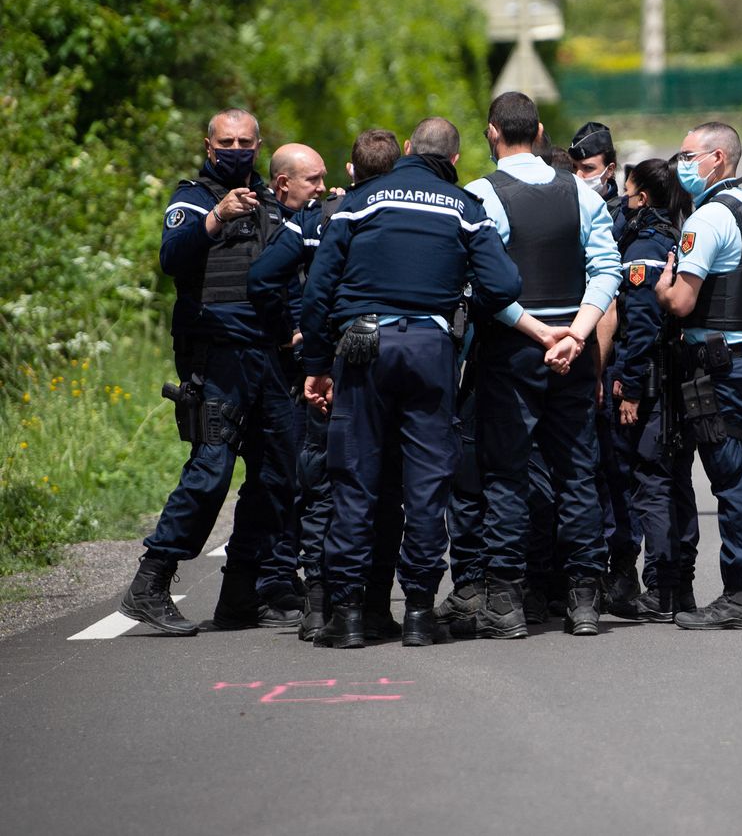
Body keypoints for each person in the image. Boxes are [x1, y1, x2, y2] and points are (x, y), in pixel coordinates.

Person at [299, 117, 525, 648]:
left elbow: (318, 290)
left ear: (406, 149)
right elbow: (506, 283)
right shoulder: (464, 208)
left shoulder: (360, 200)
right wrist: (457, 300)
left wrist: (316, 363)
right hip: (430, 347)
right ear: (455, 160)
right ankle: (420, 614)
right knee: (427, 484)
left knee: (355, 478)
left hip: (363, 345)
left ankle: (350, 615)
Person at [441, 91, 622, 639]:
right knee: (576, 475)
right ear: (540, 131)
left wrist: (537, 329)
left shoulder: (480, 194)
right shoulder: (580, 192)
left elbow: (481, 283)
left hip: (512, 350)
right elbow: (607, 269)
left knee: (506, 475)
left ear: (492, 133)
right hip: (573, 348)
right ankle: (585, 602)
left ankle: (507, 603)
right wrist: (576, 334)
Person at [118, 108, 299, 636]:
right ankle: (150, 583)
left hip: (267, 356)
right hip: (216, 355)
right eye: (228, 141)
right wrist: (216, 216)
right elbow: (172, 257)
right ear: (208, 144)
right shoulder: (193, 198)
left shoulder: (271, 202)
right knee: (212, 468)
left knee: (278, 473)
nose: (237, 148)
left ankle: (241, 593)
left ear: (260, 144)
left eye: (247, 141)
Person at [248, 130, 403, 641]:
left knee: (323, 487)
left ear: (351, 170)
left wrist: (296, 334)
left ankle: (320, 604)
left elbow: (262, 278)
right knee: (383, 489)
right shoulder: (410, 216)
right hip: (382, 366)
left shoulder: (320, 219)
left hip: (326, 372)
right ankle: (375, 605)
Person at [655, 122, 742, 630]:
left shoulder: (707, 218)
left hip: (720, 367)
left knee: (730, 478)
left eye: (688, 155)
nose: (680, 165)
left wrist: (662, 286)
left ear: (718, 158)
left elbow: (682, 300)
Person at [606, 159, 700, 621]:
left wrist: (628, 387)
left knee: (651, 481)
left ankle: (661, 589)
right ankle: (679, 588)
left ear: (643, 198)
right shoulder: (677, 236)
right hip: (672, 379)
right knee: (673, 479)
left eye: (627, 192)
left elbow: (640, 326)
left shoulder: (643, 247)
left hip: (651, 382)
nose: (623, 199)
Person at [570, 120, 644, 604]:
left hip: (611, 366)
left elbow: (619, 304)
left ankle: (622, 570)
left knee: (620, 475)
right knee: (584, 473)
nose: (581, 176)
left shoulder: (624, 218)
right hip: (579, 357)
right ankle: (586, 571)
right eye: (574, 168)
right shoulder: (572, 208)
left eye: (589, 169)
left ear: (610, 169)